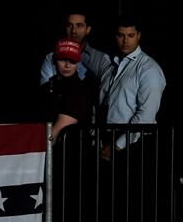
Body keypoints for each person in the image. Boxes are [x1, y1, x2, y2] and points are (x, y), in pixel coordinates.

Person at [96, 15, 164, 154]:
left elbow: (146, 116)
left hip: (133, 144)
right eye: (121, 35)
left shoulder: (149, 69)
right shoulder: (110, 64)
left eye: (131, 35)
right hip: (105, 137)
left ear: (139, 36)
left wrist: (118, 145)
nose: (125, 41)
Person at [42, 37, 93, 140]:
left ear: (78, 63)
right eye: (63, 59)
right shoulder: (49, 85)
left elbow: (55, 132)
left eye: (72, 61)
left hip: (68, 152)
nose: (67, 65)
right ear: (55, 60)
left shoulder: (79, 90)